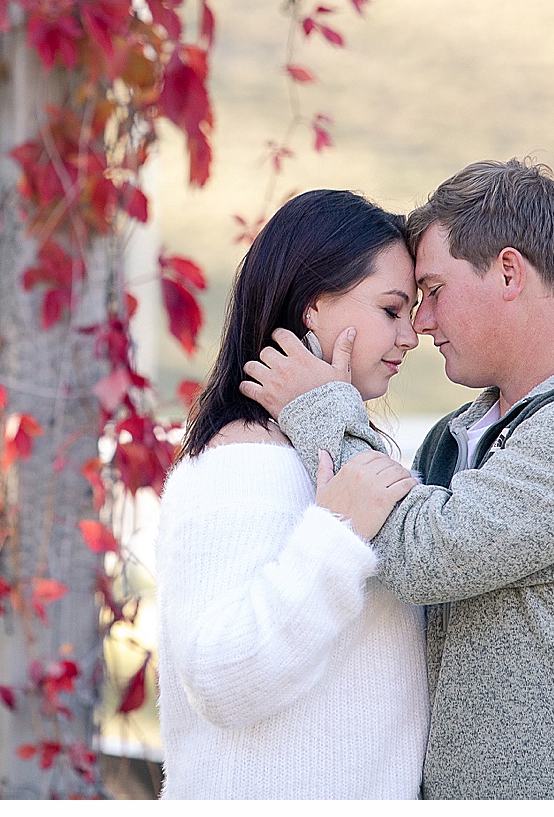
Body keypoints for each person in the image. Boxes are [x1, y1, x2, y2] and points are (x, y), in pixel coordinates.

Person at [240, 159, 554, 800]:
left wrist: (321, 408)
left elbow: (418, 556)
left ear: (506, 272)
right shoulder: (457, 437)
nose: (420, 323)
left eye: (434, 291)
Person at [154, 189, 428, 799]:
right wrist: (336, 538)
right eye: (391, 309)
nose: (411, 334)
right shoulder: (243, 461)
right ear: (313, 306)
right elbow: (221, 677)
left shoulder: (336, 451)